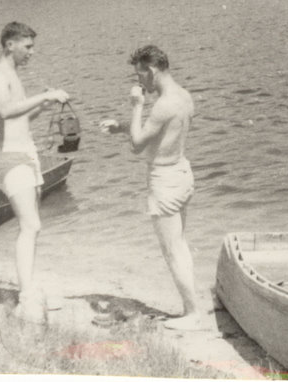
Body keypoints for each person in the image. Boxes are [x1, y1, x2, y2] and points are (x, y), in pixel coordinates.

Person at [99, 45, 205, 330]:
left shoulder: (160, 104)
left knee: (173, 250)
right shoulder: (183, 96)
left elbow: (137, 146)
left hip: (165, 179)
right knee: (180, 245)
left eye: (140, 75)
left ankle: (193, 313)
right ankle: (194, 304)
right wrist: (122, 126)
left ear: (152, 69)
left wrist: (136, 105)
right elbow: (158, 134)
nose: (139, 82)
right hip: (183, 172)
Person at [0, 22, 70, 323]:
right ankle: (25, 299)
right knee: (30, 225)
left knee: (33, 227)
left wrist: (42, 106)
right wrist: (45, 97)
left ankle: (30, 288)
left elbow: (20, 119)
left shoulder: (12, 75)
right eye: (28, 46)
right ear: (10, 45)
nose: (32, 53)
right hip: (10, 158)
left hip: (26, 156)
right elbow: (6, 111)